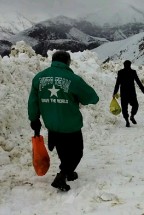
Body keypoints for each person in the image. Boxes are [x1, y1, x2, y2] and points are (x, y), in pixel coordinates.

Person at [28, 50, 99, 192]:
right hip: (70, 124)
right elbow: (92, 97)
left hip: (52, 124)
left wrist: (34, 119)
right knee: (77, 153)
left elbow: (33, 102)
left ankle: (69, 171)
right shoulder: (73, 79)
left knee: (63, 151)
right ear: (68, 62)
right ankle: (62, 175)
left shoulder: (39, 78)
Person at [113, 60, 144, 127]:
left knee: (124, 108)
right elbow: (138, 82)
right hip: (132, 93)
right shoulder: (133, 72)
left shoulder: (120, 72)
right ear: (130, 65)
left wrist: (114, 93)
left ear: (124, 65)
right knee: (135, 105)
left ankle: (127, 121)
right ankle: (132, 115)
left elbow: (117, 84)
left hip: (124, 93)